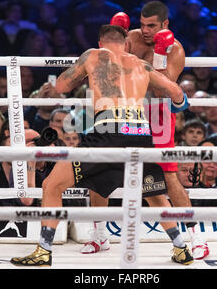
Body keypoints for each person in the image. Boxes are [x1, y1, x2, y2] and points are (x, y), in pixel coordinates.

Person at [10, 24, 193, 266]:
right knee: (154, 194)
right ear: (126, 43)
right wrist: (177, 102)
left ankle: (44, 250)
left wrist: (78, 75)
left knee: (52, 184)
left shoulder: (93, 55)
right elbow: (177, 94)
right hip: (140, 133)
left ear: (100, 42)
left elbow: (62, 87)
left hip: (108, 132)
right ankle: (182, 249)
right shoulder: (142, 65)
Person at [83, 2, 209, 259]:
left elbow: (163, 89)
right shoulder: (131, 38)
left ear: (165, 25)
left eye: (152, 26)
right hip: (124, 112)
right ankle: (99, 233)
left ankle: (196, 236)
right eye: (142, 24)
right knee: (99, 168)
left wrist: (160, 54)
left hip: (158, 116)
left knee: (169, 178)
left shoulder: (176, 50)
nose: (146, 30)